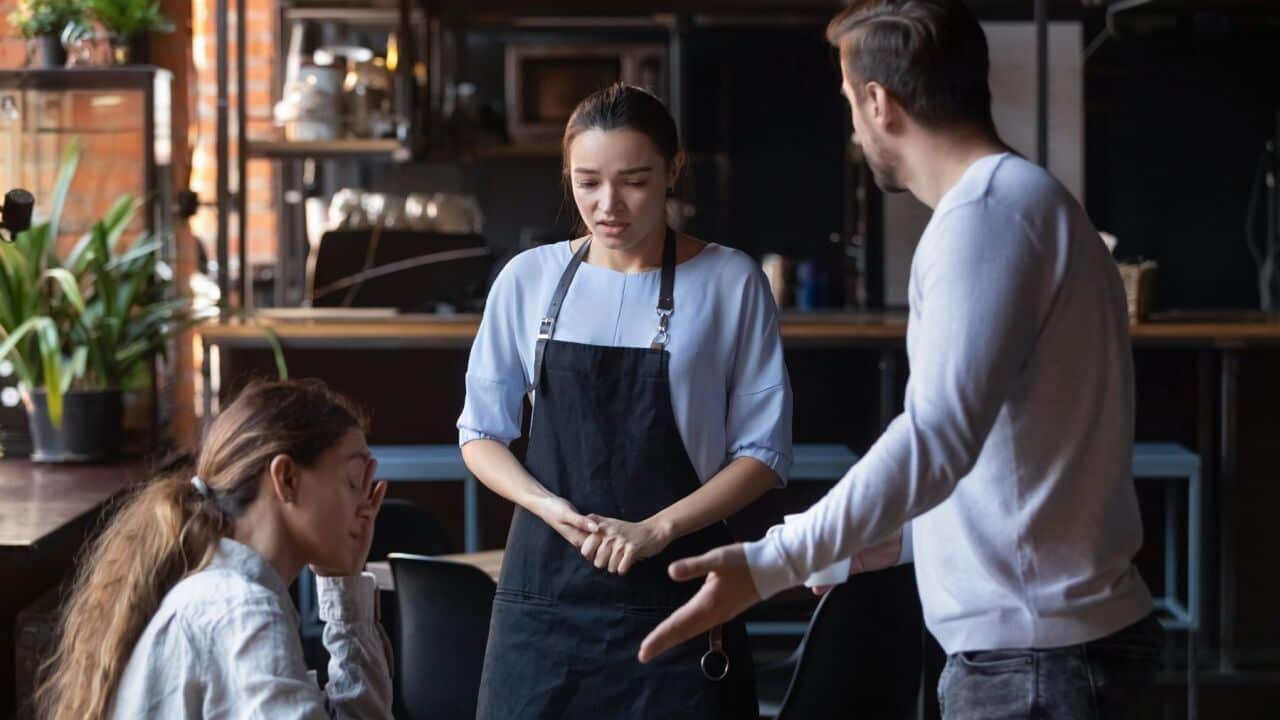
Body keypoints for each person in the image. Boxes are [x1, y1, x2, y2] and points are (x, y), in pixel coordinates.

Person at [639, 2, 1162, 718]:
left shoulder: (984, 215)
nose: (854, 128)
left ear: (879, 102)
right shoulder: (1025, 201)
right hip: (1050, 653)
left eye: (850, 103)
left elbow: (935, 438)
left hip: (1038, 666)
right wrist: (876, 544)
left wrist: (774, 561)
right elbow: (1005, 464)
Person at [458, 82, 792, 718]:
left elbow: (763, 454)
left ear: (673, 171)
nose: (607, 205)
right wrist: (546, 506)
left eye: (634, 181)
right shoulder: (527, 279)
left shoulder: (730, 281)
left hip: (677, 593)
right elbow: (480, 434)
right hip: (543, 600)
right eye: (587, 182)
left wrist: (657, 528)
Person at [37, 380, 393, 720]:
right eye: (353, 481)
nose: (365, 506)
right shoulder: (242, 610)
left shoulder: (226, 594)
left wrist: (344, 585)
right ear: (286, 478)